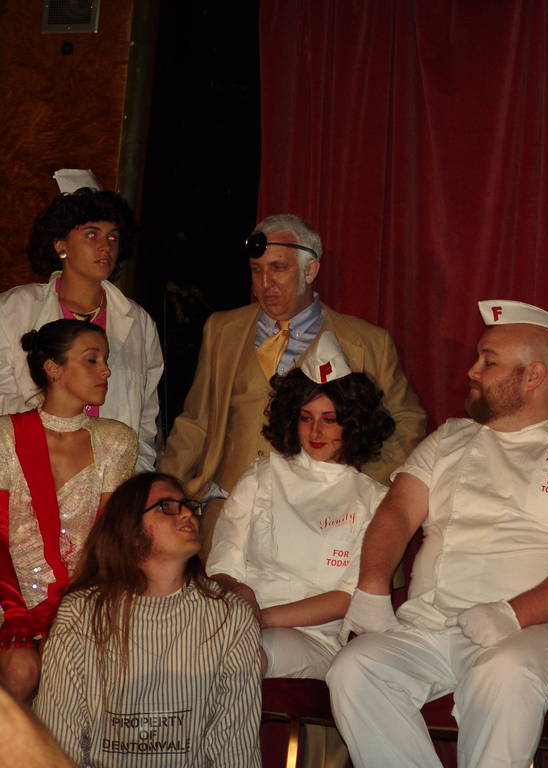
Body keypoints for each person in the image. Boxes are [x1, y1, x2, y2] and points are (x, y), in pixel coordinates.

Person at [326, 300, 548, 768]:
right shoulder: (449, 439)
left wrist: (513, 614)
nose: (472, 371)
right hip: (431, 623)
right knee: (354, 668)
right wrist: (372, 585)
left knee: (504, 670)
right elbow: (397, 512)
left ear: (533, 376)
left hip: (534, 629)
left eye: (489, 361)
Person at [159, 213, 426, 551]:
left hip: (321, 522)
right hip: (227, 514)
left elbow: (408, 421)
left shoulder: (368, 342)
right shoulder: (223, 329)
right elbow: (196, 421)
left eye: (278, 268)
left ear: (310, 270)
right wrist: (161, 492)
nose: (265, 283)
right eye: (256, 270)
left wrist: (360, 486)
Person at [33, 472, 262, 767]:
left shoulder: (231, 617)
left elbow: (235, 746)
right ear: (130, 529)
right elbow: (58, 739)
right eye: (167, 507)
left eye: (189, 505)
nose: (187, 514)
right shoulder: (81, 614)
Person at [206, 330, 394, 679]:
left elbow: (348, 596)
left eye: (329, 419)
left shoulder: (374, 500)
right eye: (306, 418)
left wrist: (261, 619)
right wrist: (241, 597)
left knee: (242, 652)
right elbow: (223, 566)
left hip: (313, 637)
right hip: (235, 620)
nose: (315, 432)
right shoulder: (262, 475)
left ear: (353, 424)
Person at [0, 319, 137, 703]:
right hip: (8, 595)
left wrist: (76, 603)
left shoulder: (115, 440)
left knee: (76, 659)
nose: (106, 371)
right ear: (53, 368)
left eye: (105, 360)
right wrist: (14, 608)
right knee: (21, 667)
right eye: (92, 360)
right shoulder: (5, 436)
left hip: (83, 595)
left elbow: (108, 539)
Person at [0, 188, 163, 472]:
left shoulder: (138, 322)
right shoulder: (14, 308)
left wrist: (132, 480)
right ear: (61, 245)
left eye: (113, 237)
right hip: (27, 471)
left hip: (111, 478)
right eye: (91, 235)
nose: (105, 246)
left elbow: (146, 419)